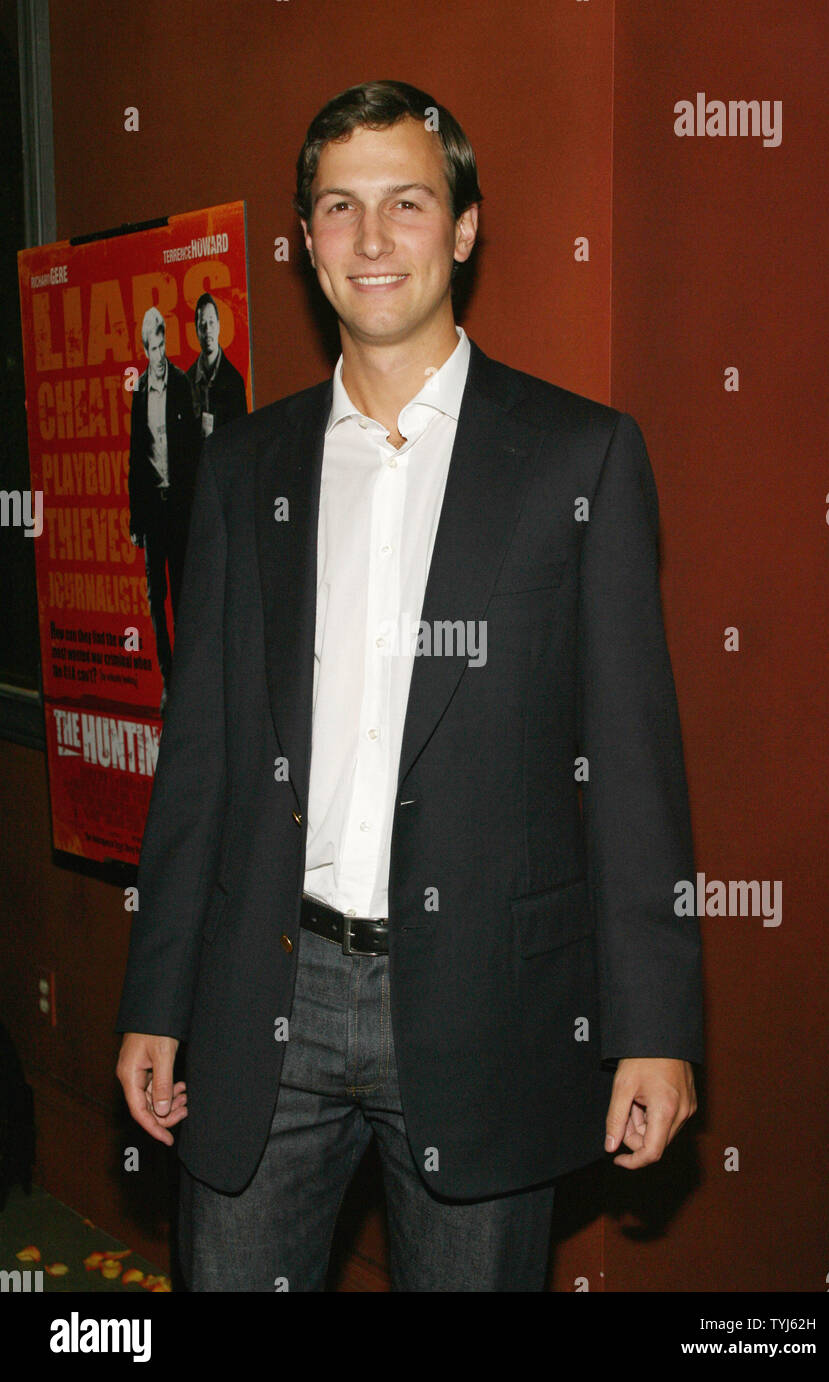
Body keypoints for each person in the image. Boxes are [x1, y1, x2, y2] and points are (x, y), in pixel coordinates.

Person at [116, 80, 703, 1292]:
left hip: (487, 1004)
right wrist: (155, 996)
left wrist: (653, 1029)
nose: (372, 240)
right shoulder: (241, 468)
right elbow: (203, 759)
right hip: (261, 994)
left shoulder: (575, 458)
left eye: (406, 203)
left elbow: (633, 765)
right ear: (305, 238)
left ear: (465, 226)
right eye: (339, 208)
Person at [127, 307, 199, 713]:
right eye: (151, 348)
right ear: (144, 349)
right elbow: (135, 457)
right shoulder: (138, 391)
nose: (157, 354)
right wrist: (136, 518)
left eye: (161, 344)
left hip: (180, 507)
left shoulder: (183, 384)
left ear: (166, 343)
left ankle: (189, 678)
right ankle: (169, 679)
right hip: (153, 508)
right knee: (157, 598)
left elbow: (193, 451)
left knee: (184, 595)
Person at [186, 292, 248, 439]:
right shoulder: (186, 383)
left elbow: (242, 439)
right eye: (202, 325)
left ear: (219, 326)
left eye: (212, 322)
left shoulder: (234, 381)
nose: (208, 330)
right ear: (196, 330)